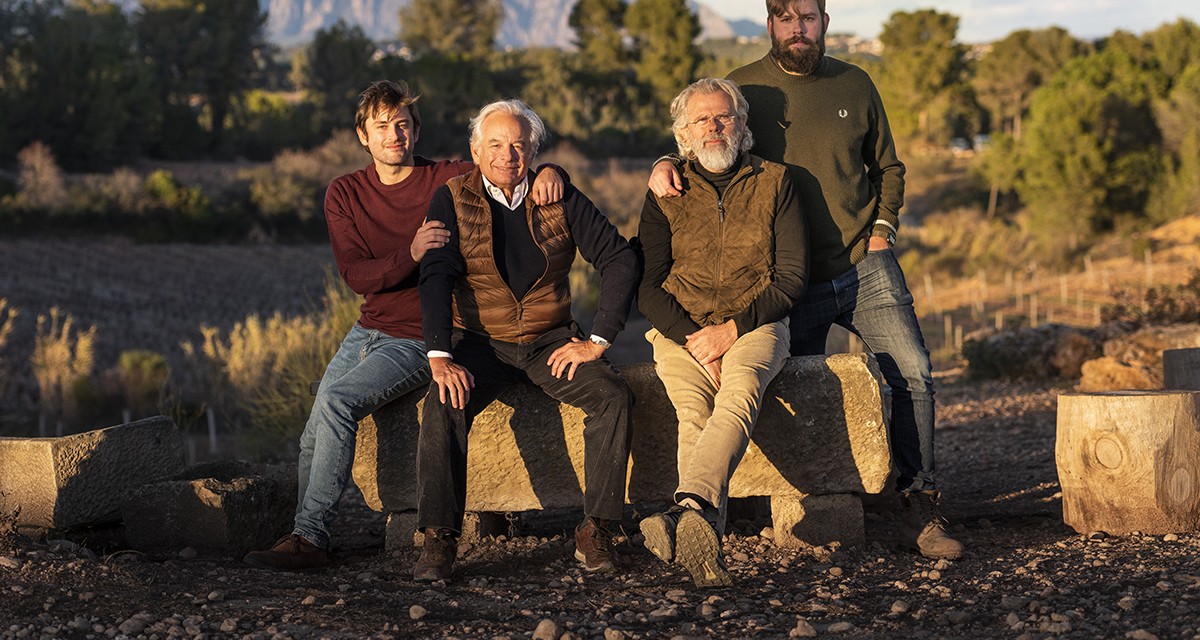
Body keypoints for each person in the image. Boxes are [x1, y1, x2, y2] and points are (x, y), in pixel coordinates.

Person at [650, 0, 963, 560]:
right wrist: (665, 161)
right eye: (787, 19)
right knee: (783, 387)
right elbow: (705, 136)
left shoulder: (855, 81)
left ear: (824, 21)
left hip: (863, 265)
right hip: (784, 278)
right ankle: (802, 504)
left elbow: (887, 168)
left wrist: (882, 231)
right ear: (770, 24)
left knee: (913, 372)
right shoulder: (745, 88)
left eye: (809, 18)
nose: (799, 29)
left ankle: (920, 506)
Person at [243, 81, 564, 572]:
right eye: (382, 127)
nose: (394, 135)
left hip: (424, 335)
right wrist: (410, 254)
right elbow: (356, 275)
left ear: (416, 131)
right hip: (368, 328)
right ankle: (303, 531)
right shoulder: (345, 192)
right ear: (362, 136)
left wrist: (552, 171)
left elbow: (507, 162)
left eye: (403, 125)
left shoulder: (447, 178)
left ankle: (310, 539)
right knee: (314, 430)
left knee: (337, 400)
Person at [412, 99, 639, 582]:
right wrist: (439, 355)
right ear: (475, 150)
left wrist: (597, 340)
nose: (507, 154)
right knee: (442, 401)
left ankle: (596, 529)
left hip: (549, 341)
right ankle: (438, 538)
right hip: (479, 341)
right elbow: (434, 273)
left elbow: (619, 259)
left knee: (612, 395)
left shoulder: (557, 194)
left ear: (533, 149)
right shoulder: (450, 198)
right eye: (495, 144)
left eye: (518, 144)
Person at [637, 78, 807, 587]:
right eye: (701, 120)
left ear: (742, 123)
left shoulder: (777, 181)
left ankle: (687, 509)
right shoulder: (665, 191)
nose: (714, 127)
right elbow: (647, 285)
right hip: (679, 329)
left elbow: (792, 277)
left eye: (724, 116)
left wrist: (731, 331)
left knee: (738, 393)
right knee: (693, 413)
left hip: (757, 322)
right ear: (682, 134)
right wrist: (695, 337)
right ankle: (703, 546)